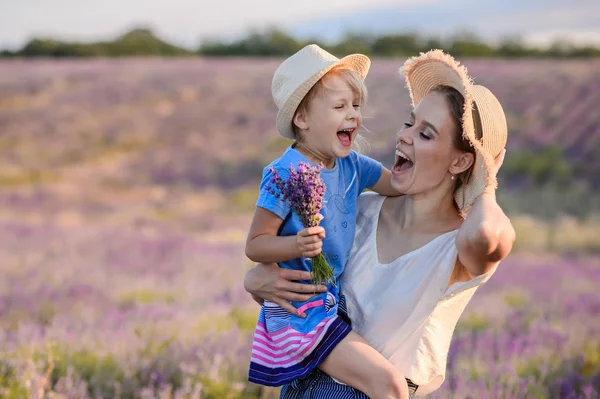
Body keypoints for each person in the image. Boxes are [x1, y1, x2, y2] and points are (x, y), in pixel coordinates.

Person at [244, 49, 516, 398]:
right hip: (303, 385)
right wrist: (256, 281)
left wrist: (487, 179)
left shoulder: (460, 244)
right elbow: (305, 286)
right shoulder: (360, 208)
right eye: (409, 123)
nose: (404, 136)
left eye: (426, 134)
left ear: (461, 161)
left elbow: (487, 234)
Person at [245, 44, 411, 398]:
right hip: (299, 310)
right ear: (302, 119)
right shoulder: (283, 174)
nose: (353, 115)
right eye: (339, 107)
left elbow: (400, 187)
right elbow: (255, 245)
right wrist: (295, 245)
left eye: (356, 106)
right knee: (389, 386)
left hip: (331, 305)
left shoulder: (354, 166)